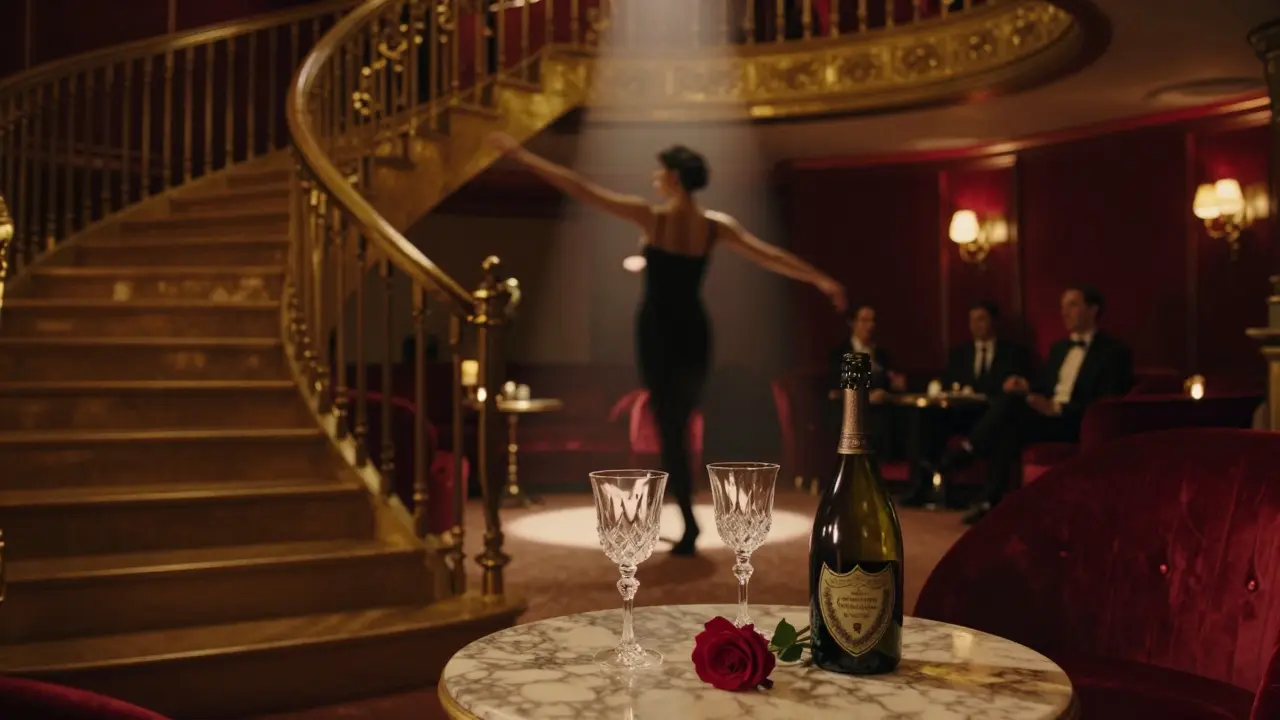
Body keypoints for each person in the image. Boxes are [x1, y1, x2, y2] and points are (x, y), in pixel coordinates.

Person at [485, 132, 846, 555]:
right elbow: (771, 256)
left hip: (658, 331)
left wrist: (524, 157)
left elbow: (582, 189)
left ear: (674, 177)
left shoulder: (653, 218)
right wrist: (821, 279)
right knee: (681, 420)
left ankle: (688, 520)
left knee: (671, 426)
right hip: (693, 330)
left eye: (660, 172)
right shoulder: (713, 226)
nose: (655, 178)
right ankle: (689, 516)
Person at [938, 286, 1133, 524]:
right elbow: (1045, 386)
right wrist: (1026, 387)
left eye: (1072, 305)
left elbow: (1106, 405)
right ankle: (990, 502)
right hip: (1047, 418)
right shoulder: (1059, 348)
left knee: (1009, 412)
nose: (1065, 313)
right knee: (1009, 417)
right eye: (1063, 307)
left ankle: (969, 449)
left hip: (1076, 421)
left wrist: (1058, 408)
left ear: (1093, 309)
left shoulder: (1114, 352)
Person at [901, 301, 1032, 506]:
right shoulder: (960, 353)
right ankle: (920, 486)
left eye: (981, 319)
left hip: (992, 415)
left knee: (1004, 424)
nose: (976, 325)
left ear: (993, 322)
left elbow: (1015, 388)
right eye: (972, 320)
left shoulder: (1013, 353)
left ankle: (970, 463)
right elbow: (947, 382)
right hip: (962, 413)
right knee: (922, 416)